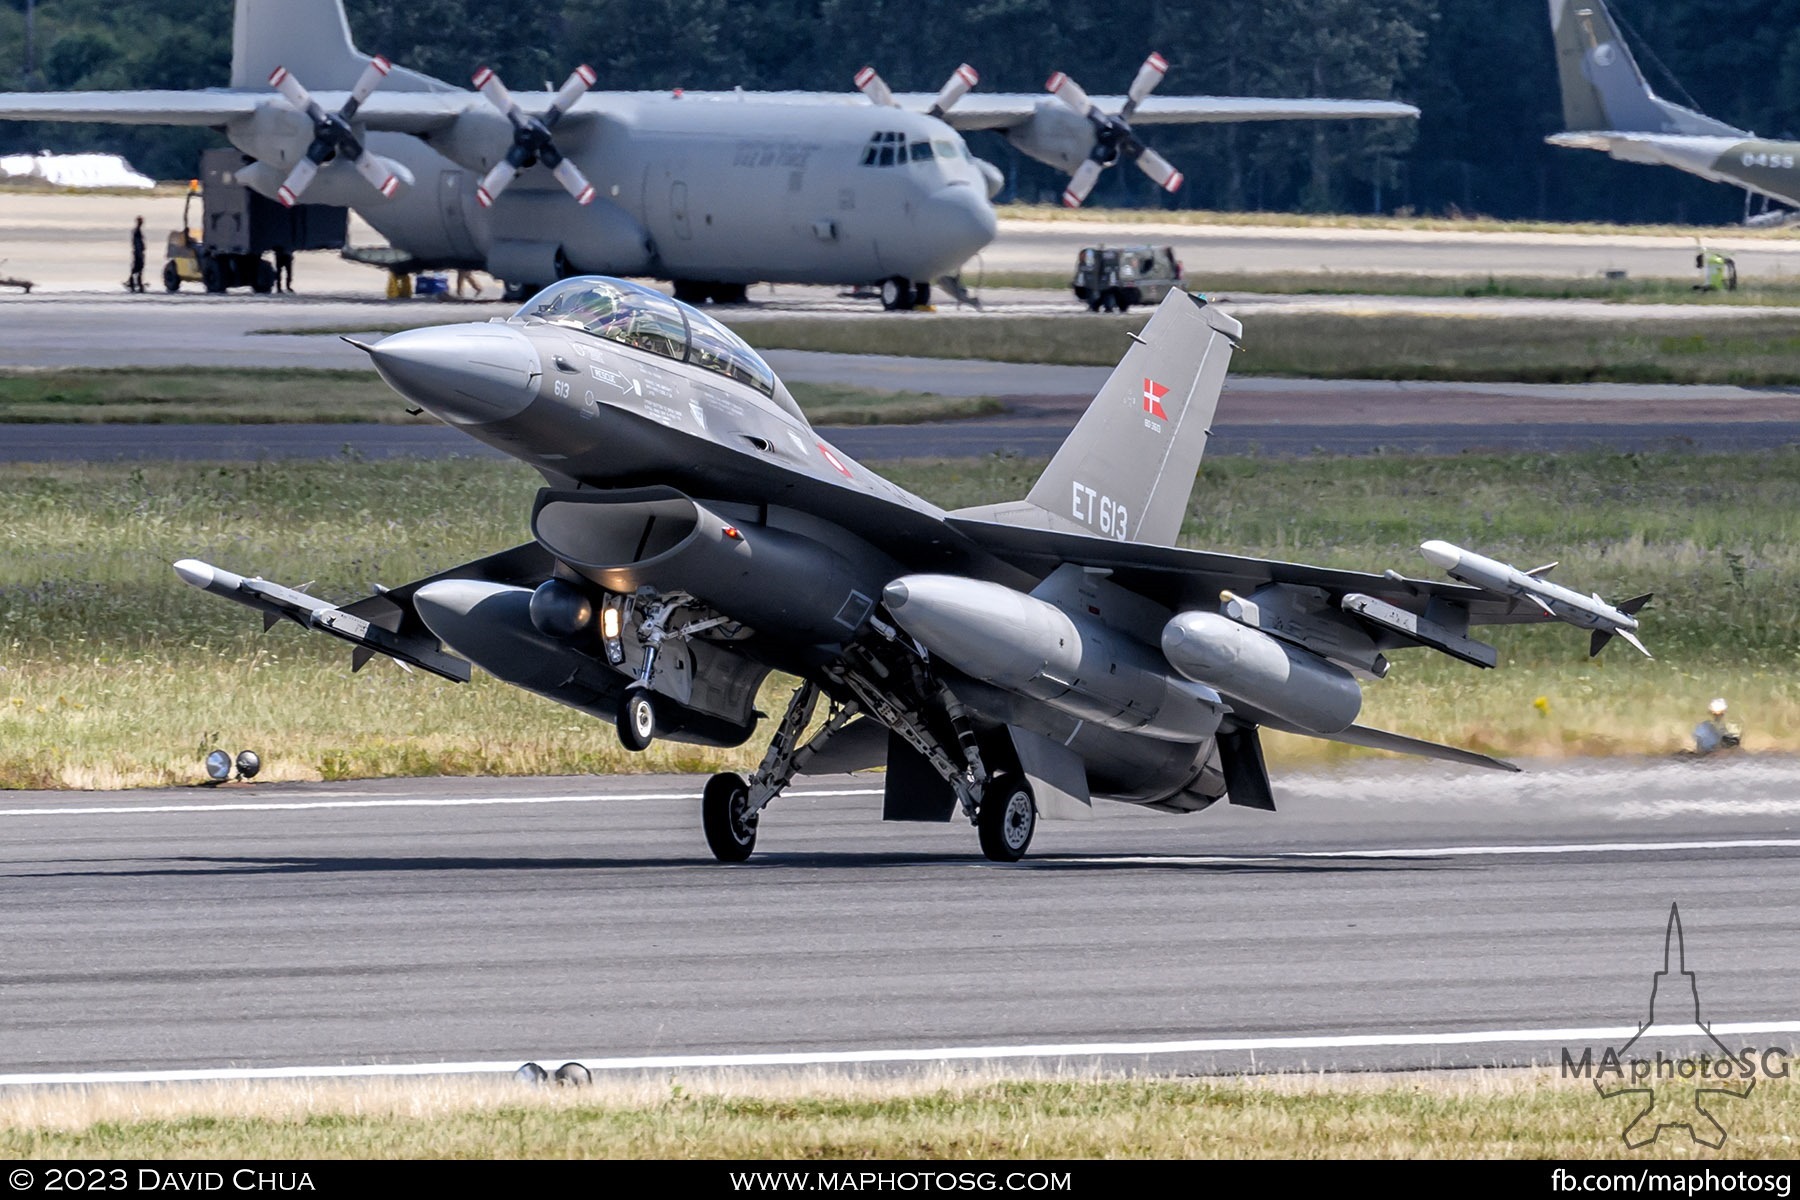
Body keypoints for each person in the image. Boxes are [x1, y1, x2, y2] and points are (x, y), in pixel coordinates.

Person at [126, 216, 145, 293]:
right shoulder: (137, 231)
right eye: (141, 221)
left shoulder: (137, 231)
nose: (142, 223)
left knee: (137, 268)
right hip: (138, 253)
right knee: (138, 268)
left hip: (138, 252)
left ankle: (134, 283)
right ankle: (135, 283)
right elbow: (137, 244)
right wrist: (139, 253)